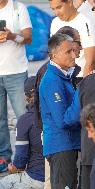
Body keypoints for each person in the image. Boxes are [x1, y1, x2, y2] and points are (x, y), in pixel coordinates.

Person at [39, 33, 81, 189]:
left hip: (66, 145)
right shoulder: (52, 80)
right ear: (54, 55)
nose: (74, 55)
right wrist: (80, 94)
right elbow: (63, 120)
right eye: (68, 52)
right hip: (61, 146)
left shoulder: (63, 76)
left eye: (74, 51)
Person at [0, 0, 32, 172]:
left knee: (24, 118)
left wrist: (12, 36)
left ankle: (27, 159)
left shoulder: (18, 8)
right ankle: (3, 159)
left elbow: (27, 38)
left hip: (16, 72)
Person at [0, 76, 44, 189]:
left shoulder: (25, 120)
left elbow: (20, 161)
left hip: (37, 178)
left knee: (3, 183)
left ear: (26, 96)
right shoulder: (57, 112)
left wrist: (13, 168)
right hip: (60, 176)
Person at [49, 0, 95, 77]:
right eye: (53, 9)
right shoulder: (55, 22)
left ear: (69, 2)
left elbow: (91, 61)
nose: (56, 13)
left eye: (59, 7)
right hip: (61, 78)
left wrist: (84, 85)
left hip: (80, 77)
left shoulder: (86, 22)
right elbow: (54, 54)